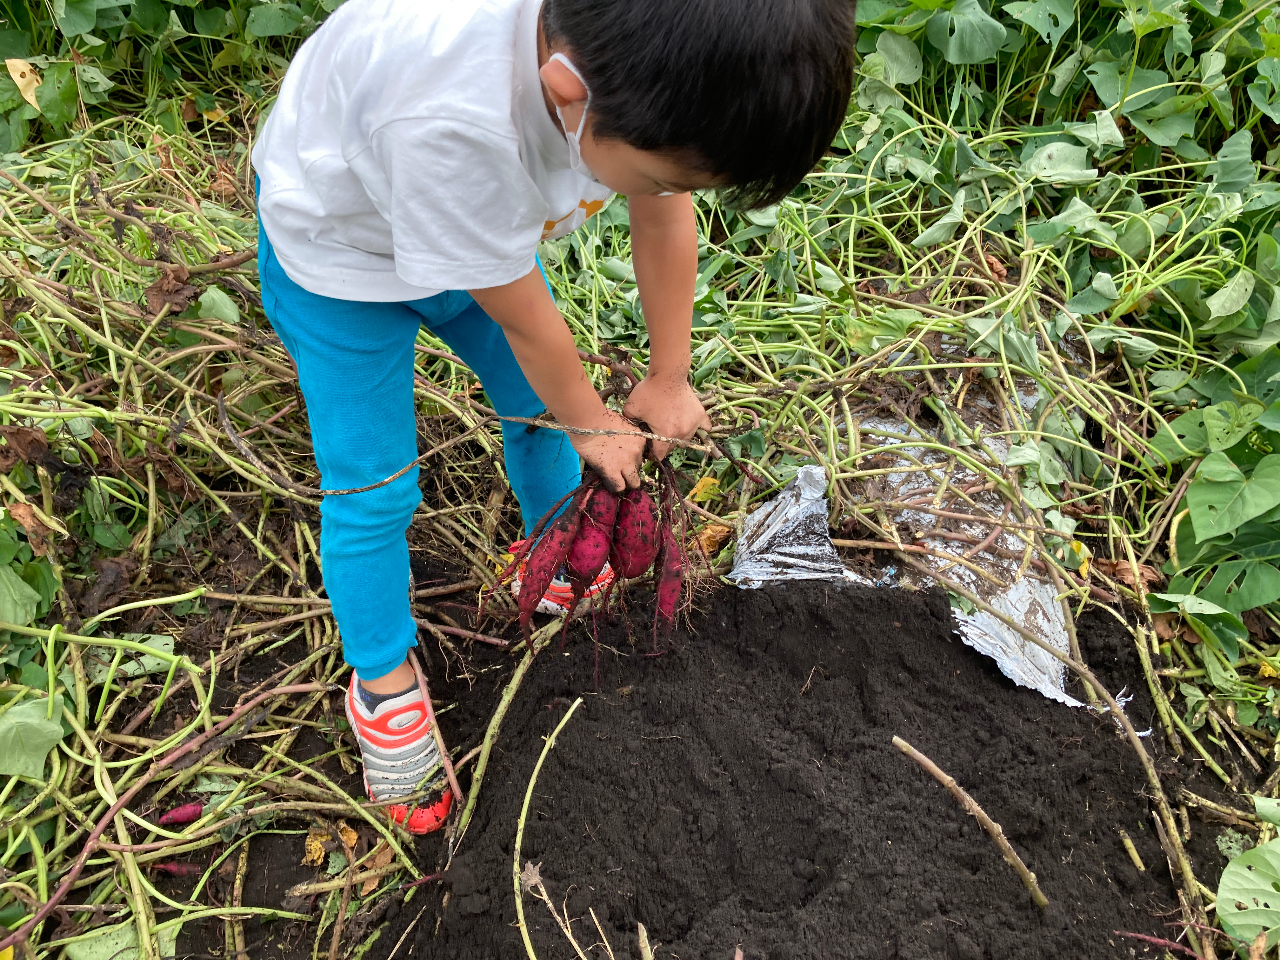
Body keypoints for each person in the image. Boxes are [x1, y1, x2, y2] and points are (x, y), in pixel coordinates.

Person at [251, 0, 855, 834]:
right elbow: (529, 325)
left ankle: (557, 554)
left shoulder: (622, 83)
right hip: (340, 256)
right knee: (374, 486)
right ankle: (382, 680)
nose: (664, 192)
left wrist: (669, 376)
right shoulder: (452, 123)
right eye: (658, 174)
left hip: (472, 233)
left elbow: (662, 211)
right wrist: (592, 420)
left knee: (540, 411)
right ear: (569, 94)